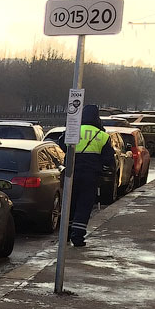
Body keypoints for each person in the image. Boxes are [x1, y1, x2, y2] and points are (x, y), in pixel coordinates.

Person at [68, 104, 114, 247]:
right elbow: (109, 160)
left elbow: (63, 146)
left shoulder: (74, 131)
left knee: (70, 204)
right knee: (84, 205)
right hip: (91, 176)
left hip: (72, 174)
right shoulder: (103, 136)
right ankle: (78, 236)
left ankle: (66, 233)